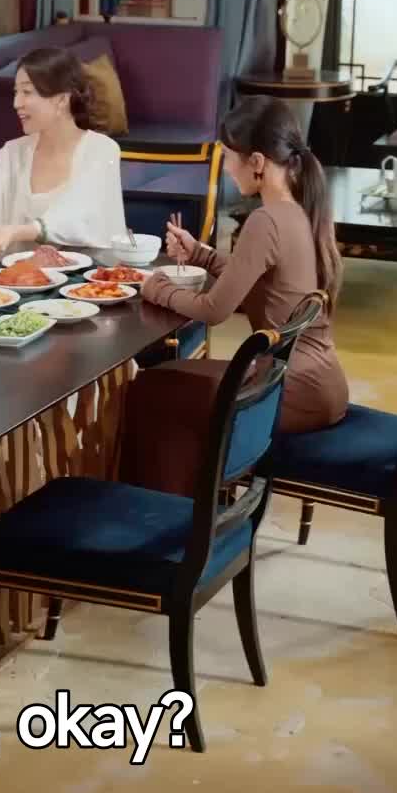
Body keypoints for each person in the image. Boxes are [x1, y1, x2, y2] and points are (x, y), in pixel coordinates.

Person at [117, 98, 349, 496]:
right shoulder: (297, 210)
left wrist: (154, 285)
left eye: (228, 157)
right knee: (163, 386)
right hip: (318, 382)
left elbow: (214, 310)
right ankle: (196, 509)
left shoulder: (265, 220)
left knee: (150, 391)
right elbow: (259, 284)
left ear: (256, 161)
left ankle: (169, 517)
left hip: (292, 387)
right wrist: (201, 254)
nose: (225, 168)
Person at [0, 46, 126, 254]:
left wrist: (23, 231)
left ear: (62, 100)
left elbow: (81, 215)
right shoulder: (13, 152)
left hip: (89, 272)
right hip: (14, 272)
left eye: (27, 92)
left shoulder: (102, 150)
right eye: (16, 92)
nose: (16, 103)